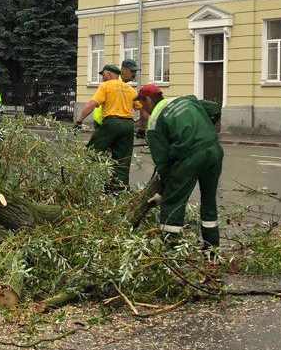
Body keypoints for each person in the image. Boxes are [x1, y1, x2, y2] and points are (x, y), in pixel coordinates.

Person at [135, 83, 223, 248]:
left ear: (147, 100)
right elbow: (213, 108)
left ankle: (171, 252)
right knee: (209, 200)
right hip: (214, 150)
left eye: (141, 102)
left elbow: (163, 164)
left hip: (190, 156)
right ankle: (211, 251)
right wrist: (206, 126)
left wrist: (164, 191)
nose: (141, 107)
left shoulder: (154, 123)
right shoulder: (185, 100)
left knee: (173, 203)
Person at [74, 59, 141, 191]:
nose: (102, 78)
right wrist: (143, 127)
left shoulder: (106, 86)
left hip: (111, 124)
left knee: (91, 152)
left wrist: (79, 121)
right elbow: (141, 107)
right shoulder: (130, 89)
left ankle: (83, 184)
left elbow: (92, 104)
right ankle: (119, 189)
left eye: (103, 75)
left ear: (109, 74)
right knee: (122, 159)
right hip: (128, 125)